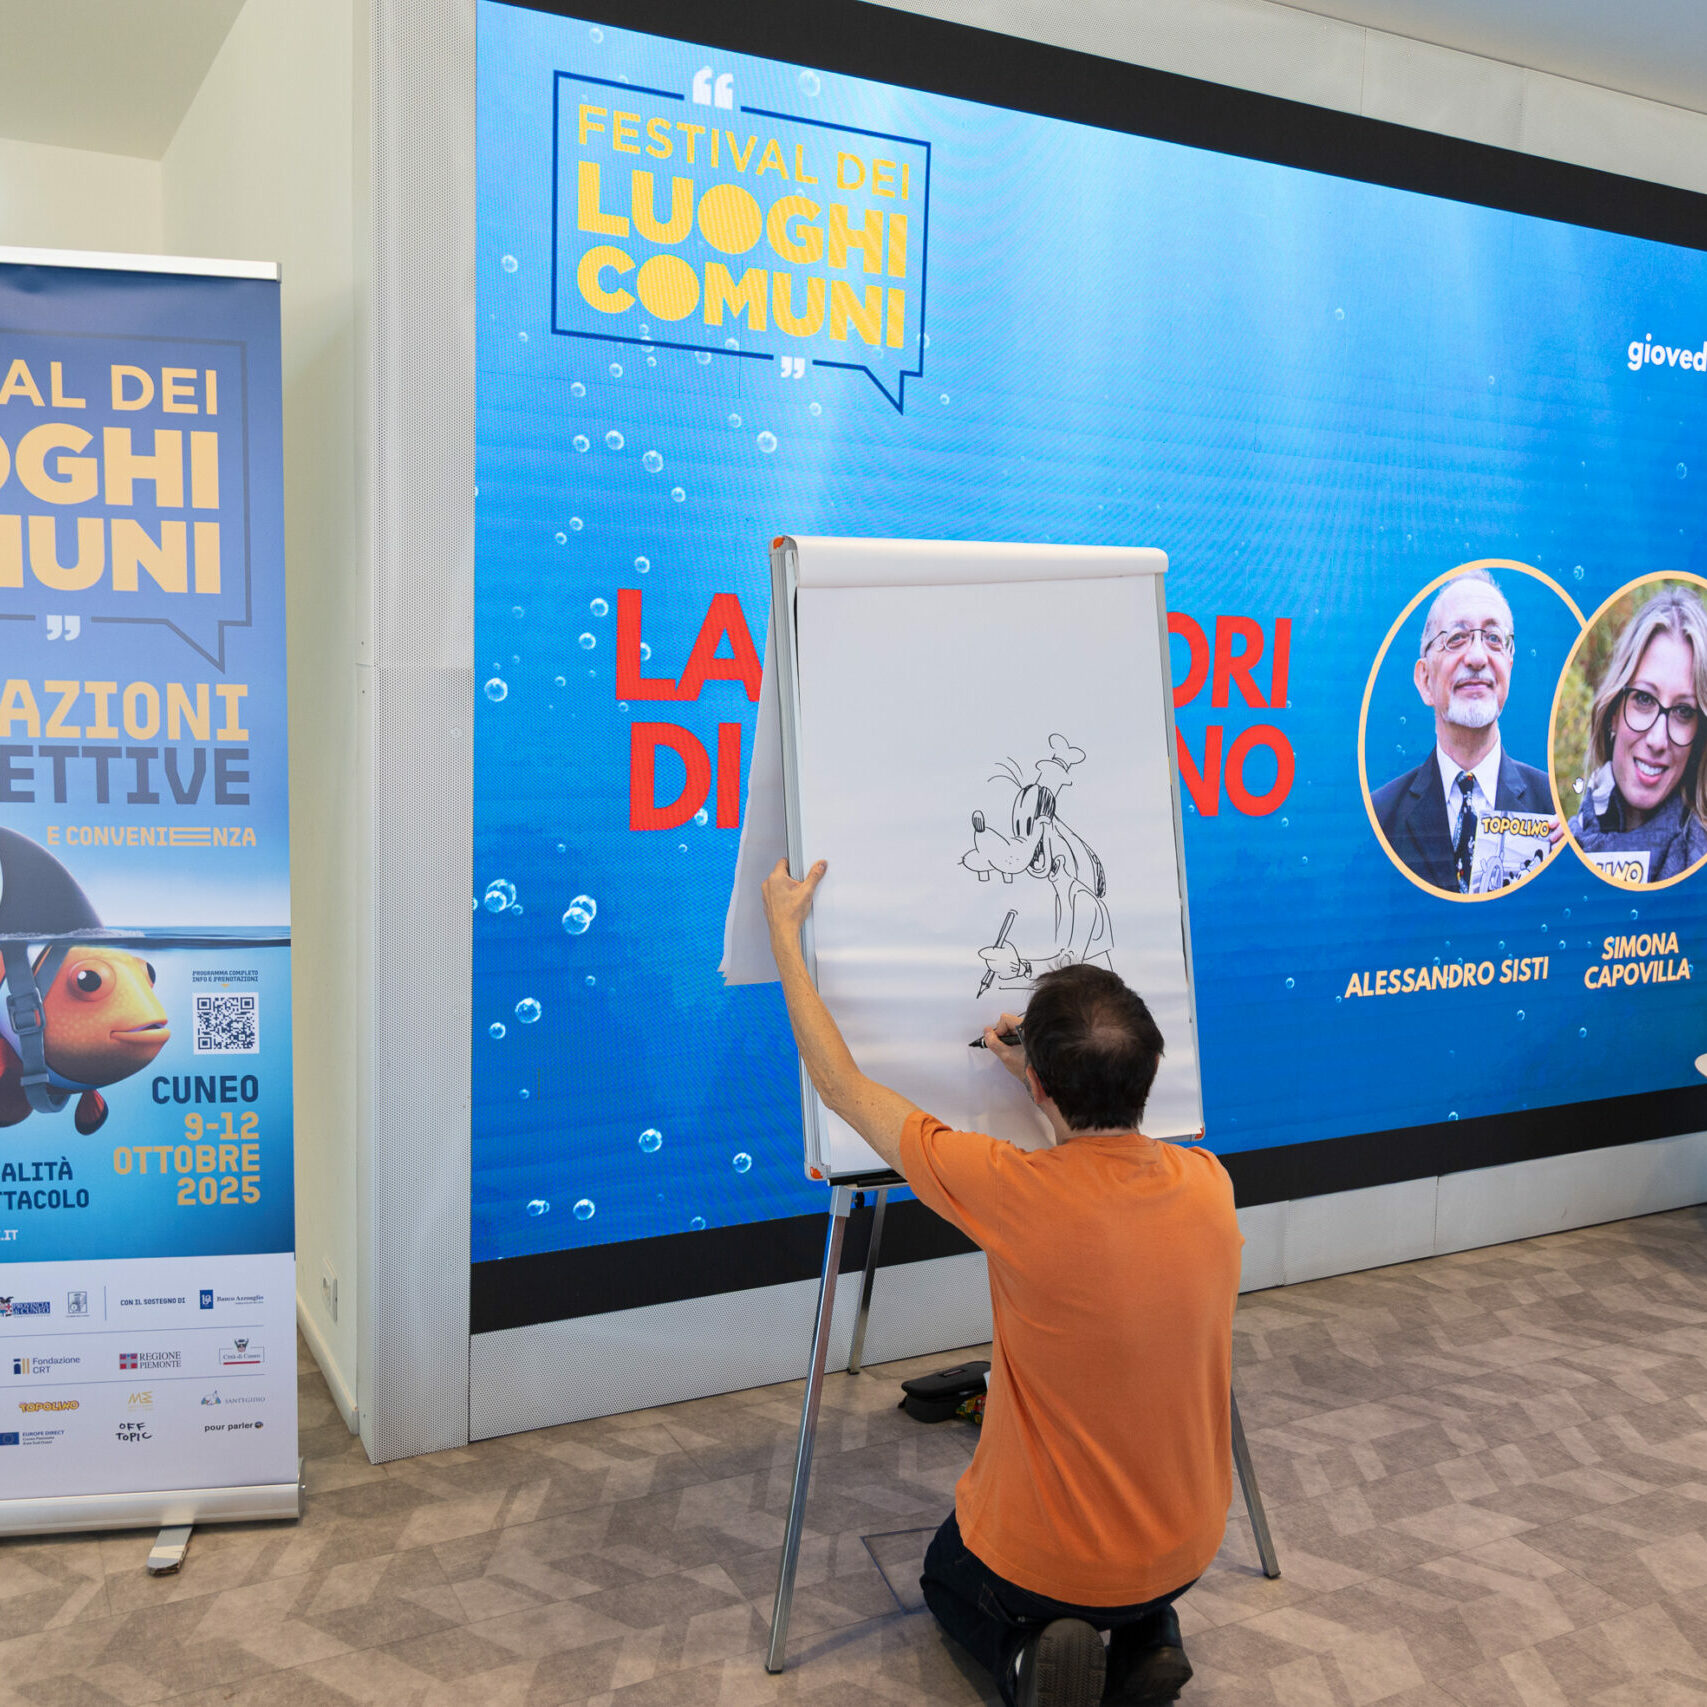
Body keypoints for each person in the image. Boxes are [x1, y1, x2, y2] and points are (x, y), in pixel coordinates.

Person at [761, 857, 1242, 1707]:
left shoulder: (1009, 1189)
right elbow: (1098, 1163)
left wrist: (783, 934)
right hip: (1189, 1547)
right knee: (1132, 1563)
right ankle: (1147, 1636)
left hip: (1043, 1565)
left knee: (946, 1573)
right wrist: (1041, 1072)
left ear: (1040, 1084)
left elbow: (841, 1085)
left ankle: (1026, 1660)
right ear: (1148, 1071)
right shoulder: (1208, 1183)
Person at [1372, 569, 1554, 893]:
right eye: (1456, 638)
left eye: (1494, 639)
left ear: (1509, 666)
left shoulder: (1558, 813)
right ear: (1425, 680)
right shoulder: (1380, 818)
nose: (1477, 657)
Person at [1569, 586, 1707, 883]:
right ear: (1613, 713)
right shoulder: (1566, 849)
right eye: (1644, 699)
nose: (1658, 740)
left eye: (1683, 711)